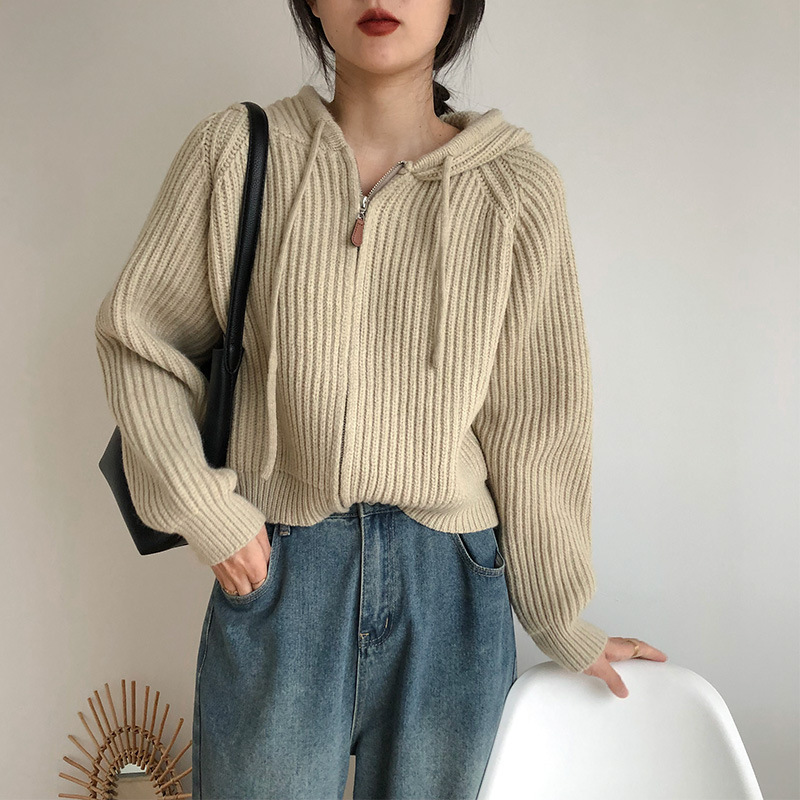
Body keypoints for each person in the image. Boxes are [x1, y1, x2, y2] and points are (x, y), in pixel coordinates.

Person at [94, 0, 668, 797]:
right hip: (281, 572)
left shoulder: (514, 189)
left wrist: (562, 619)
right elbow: (140, 341)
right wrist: (212, 517)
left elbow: (537, 422)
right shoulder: (237, 154)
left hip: (453, 588)